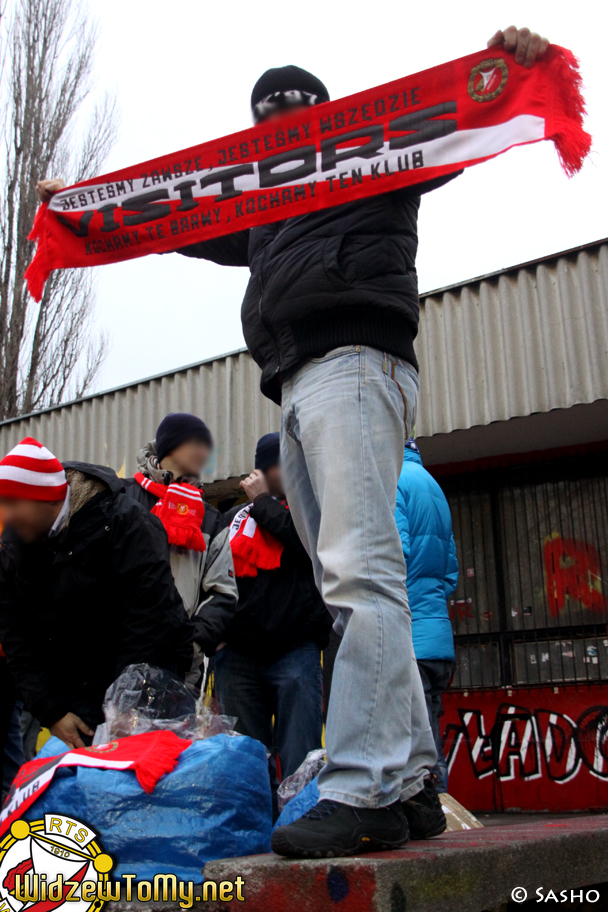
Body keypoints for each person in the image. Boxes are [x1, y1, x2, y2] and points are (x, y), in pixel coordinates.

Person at [37, 25, 549, 857]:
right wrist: (85, 203)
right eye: (264, 119)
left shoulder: (374, 153)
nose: (276, 125)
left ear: (326, 118)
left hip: (355, 357)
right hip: (299, 378)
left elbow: (458, 124)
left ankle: (366, 786)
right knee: (347, 573)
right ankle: (414, 781)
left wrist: (509, 64)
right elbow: (175, 213)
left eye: (292, 113)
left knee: (358, 570)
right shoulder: (262, 204)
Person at [0, 438, 193, 749]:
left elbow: (151, 620)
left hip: (148, 685)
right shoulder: (14, 547)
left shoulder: (125, 523)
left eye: (11, 504)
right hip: (77, 700)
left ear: (45, 498)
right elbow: (17, 637)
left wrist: (124, 708)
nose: (5, 516)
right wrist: (53, 712)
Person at [217, 432, 332, 816]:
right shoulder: (236, 519)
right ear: (264, 469)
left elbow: (307, 548)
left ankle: (302, 823)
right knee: (245, 760)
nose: (291, 470)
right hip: (238, 656)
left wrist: (263, 502)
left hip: (295, 650)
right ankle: (255, 834)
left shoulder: (311, 510)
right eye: (282, 463)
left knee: (301, 756)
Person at [123, 412, 238, 691]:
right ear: (170, 445)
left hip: (179, 666)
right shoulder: (123, 499)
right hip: (119, 656)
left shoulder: (210, 518)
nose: (204, 451)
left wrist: (193, 644)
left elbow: (222, 592)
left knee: (169, 736)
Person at [395, 438, 459, 794]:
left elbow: (395, 553)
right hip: (438, 639)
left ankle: (424, 814)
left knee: (410, 742)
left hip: (410, 637)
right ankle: (441, 809)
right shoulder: (434, 487)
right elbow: (451, 574)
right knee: (431, 738)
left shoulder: (392, 481)